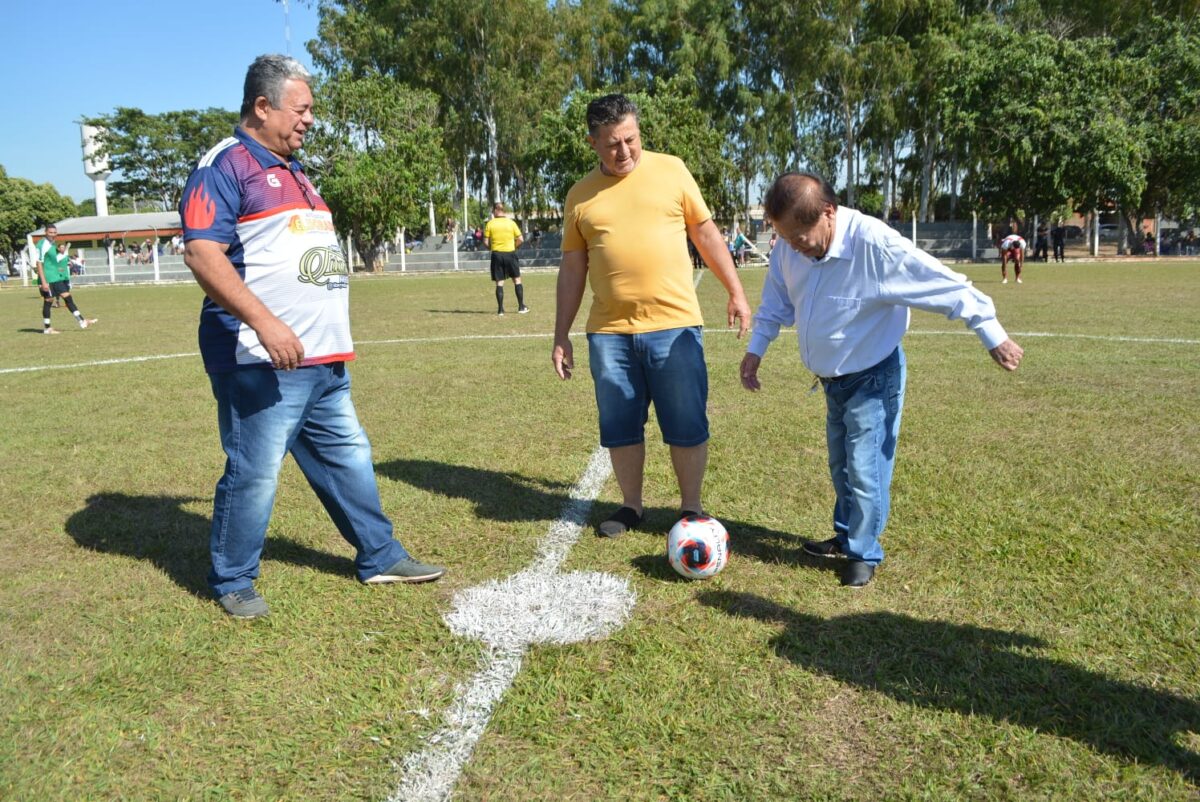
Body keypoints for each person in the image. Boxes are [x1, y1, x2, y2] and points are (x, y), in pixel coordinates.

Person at [180, 54, 445, 619]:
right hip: (260, 359)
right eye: (300, 110)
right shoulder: (224, 165)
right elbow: (203, 254)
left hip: (322, 359)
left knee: (348, 456)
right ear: (261, 106)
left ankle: (379, 555)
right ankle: (232, 578)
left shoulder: (295, 168)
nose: (309, 121)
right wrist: (266, 322)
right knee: (255, 471)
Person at [739, 172, 1023, 587]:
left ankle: (863, 552)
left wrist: (992, 333)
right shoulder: (789, 249)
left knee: (866, 468)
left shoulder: (875, 245)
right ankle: (846, 535)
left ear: (828, 213)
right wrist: (756, 349)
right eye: (785, 237)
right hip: (832, 382)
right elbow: (775, 304)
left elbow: (944, 284)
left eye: (801, 235)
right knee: (841, 467)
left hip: (873, 378)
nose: (794, 246)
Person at [552, 93, 752, 536]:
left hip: (674, 325)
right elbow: (573, 266)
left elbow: (705, 233)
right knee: (620, 426)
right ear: (592, 143)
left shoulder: (673, 170)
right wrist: (561, 333)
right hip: (609, 334)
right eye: (611, 144)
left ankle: (691, 508)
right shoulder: (579, 196)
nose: (624, 151)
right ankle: (631, 506)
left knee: (686, 421)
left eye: (631, 139)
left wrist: (735, 291)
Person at [33, 225, 96, 334]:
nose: (53, 234)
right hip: (47, 279)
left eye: (54, 232)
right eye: (50, 232)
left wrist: (63, 257)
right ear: (45, 232)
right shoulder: (42, 244)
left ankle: (82, 321)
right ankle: (47, 328)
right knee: (48, 301)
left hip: (55, 277)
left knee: (67, 297)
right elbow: (39, 263)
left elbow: (53, 260)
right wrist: (43, 282)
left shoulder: (51, 244)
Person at [483, 201, 526, 315]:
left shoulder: (490, 224)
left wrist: (491, 248)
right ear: (503, 210)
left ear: (496, 211)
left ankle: (500, 310)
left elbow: (486, 242)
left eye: (493, 211)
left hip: (497, 254)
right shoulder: (511, 223)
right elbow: (521, 239)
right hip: (510, 253)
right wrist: (514, 246)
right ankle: (521, 307)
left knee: (499, 283)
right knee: (517, 280)